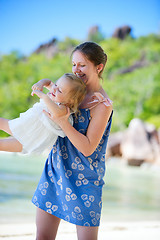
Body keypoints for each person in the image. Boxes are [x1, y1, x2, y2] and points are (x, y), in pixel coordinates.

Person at [32, 42, 113, 240]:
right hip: (56, 170)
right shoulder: (72, 89)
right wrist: (45, 84)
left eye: (82, 65)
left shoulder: (102, 104)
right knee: (43, 237)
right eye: (74, 64)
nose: (76, 70)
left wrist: (62, 120)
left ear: (98, 67)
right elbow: (52, 91)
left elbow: (87, 148)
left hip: (86, 180)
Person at [0, 73, 86, 154]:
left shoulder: (63, 108)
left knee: (2, 144)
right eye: (56, 85)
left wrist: (44, 96)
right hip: (24, 127)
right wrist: (40, 83)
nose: (54, 88)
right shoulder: (54, 94)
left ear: (69, 101)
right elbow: (48, 82)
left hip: (32, 139)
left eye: (59, 90)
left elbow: (56, 113)